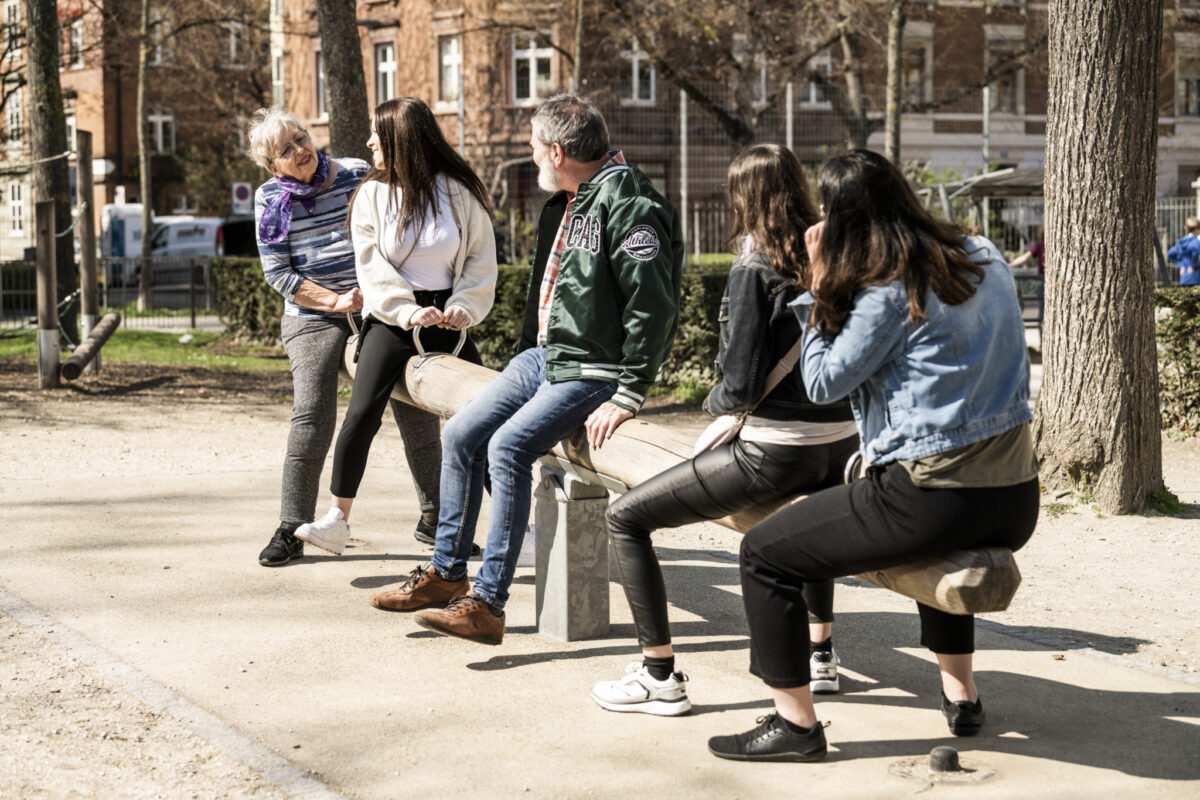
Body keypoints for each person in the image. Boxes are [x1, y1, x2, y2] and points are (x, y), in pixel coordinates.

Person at [708, 149, 1039, 763]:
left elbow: (823, 383)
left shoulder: (889, 289)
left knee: (763, 555)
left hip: (932, 499)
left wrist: (817, 282)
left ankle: (795, 725)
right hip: (1017, 498)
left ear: (842, 221)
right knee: (931, 542)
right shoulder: (983, 255)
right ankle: (961, 696)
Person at [367, 94, 684, 645]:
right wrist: (522, 354)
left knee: (507, 448)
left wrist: (630, 391)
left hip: (590, 369)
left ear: (557, 151)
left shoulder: (632, 205)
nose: (532, 155)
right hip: (543, 357)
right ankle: (445, 574)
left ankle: (487, 604)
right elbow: (549, 293)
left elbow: (653, 307)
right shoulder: (568, 200)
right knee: (463, 433)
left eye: (535, 148)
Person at [589, 144, 859, 717]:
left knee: (625, 517)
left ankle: (658, 674)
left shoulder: (753, 266)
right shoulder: (831, 253)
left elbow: (737, 382)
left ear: (744, 196)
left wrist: (725, 409)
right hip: (841, 448)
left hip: (777, 454)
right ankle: (822, 657)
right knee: (801, 523)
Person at [292, 97, 496, 560]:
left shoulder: (458, 191)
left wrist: (464, 306)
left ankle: (518, 527)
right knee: (362, 412)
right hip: (392, 320)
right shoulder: (371, 194)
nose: (368, 144)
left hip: (451, 321)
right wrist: (405, 312)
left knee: (488, 418)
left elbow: (482, 260)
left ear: (404, 140)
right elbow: (371, 265)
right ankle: (337, 520)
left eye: (378, 136)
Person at [248, 107, 446, 567]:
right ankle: (291, 526)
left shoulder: (358, 174)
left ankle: (435, 517)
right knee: (312, 413)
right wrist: (335, 302)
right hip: (313, 315)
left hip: (377, 309)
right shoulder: (269, 200)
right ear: (272, 165)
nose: (301, 151)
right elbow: (277, 272)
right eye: (286, 150)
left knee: (414, 404)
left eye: (301, 138)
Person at [1167, 217, 1200, 287]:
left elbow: (1170, 253)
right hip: (1195, 276)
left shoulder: (1181, 242)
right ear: (1197, 229)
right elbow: (1195, 254)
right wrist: (1192, 266)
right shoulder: (1196, 242)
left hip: (1183, 276)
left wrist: (1181, 264)